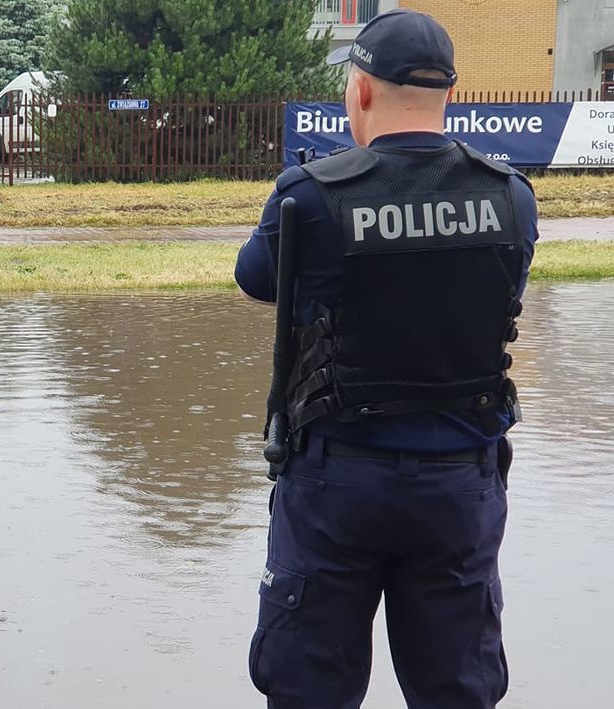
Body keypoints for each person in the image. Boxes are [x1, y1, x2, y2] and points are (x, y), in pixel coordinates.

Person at [235, 10, 538, 707]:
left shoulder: (308, 199)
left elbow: (255, 279)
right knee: (458, 689)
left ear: (362, 92)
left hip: (337, 485)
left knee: (310, 687)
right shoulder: (510, 198)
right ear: (447, 96)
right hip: (460, 487)